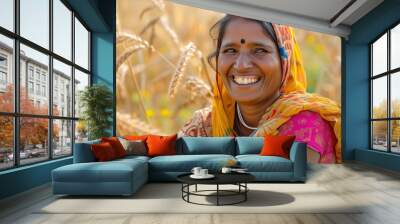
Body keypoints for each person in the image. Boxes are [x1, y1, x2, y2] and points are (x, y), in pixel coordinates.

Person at [178, 15, 341, 164]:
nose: (241, 65)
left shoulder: (305, 125)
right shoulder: (204, 125)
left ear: (285, 61)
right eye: (230, 50)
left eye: (260, 50)